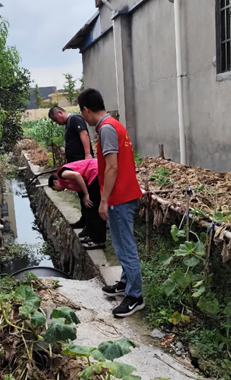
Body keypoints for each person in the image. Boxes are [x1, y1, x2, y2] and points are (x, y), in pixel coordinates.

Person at [77, 88, 144, 318]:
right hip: (123, 195)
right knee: (121, 245)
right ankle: (125, 283)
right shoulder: (114, 125)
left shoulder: (105, 129)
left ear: (86, 110)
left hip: (120, 198)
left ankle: (135, 296)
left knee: (125, 248)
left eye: (81, 113)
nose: (83, 118)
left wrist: (103, 201)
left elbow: (113, 167)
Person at [48, 106, 94, 233]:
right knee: (81, 194)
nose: (57, 122)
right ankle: (84, 221)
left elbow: (84, 134)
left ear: (60, 113)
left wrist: (87, 154)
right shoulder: (69, 124)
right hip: (77, 165)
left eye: (56, 119)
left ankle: (89, 225)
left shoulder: (75, 119)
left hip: (84, 165)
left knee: (88, 195)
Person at [47, 159, 106, 250]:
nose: (57, 191)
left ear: (55, 182)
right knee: (89, 207)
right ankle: (93, 235)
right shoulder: (65, 180)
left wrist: (86, 194)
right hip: (93, 174)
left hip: (95, 171)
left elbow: (77, 175)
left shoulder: (62, 174)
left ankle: (99, 241)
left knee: (94, 208)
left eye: (55, 189)